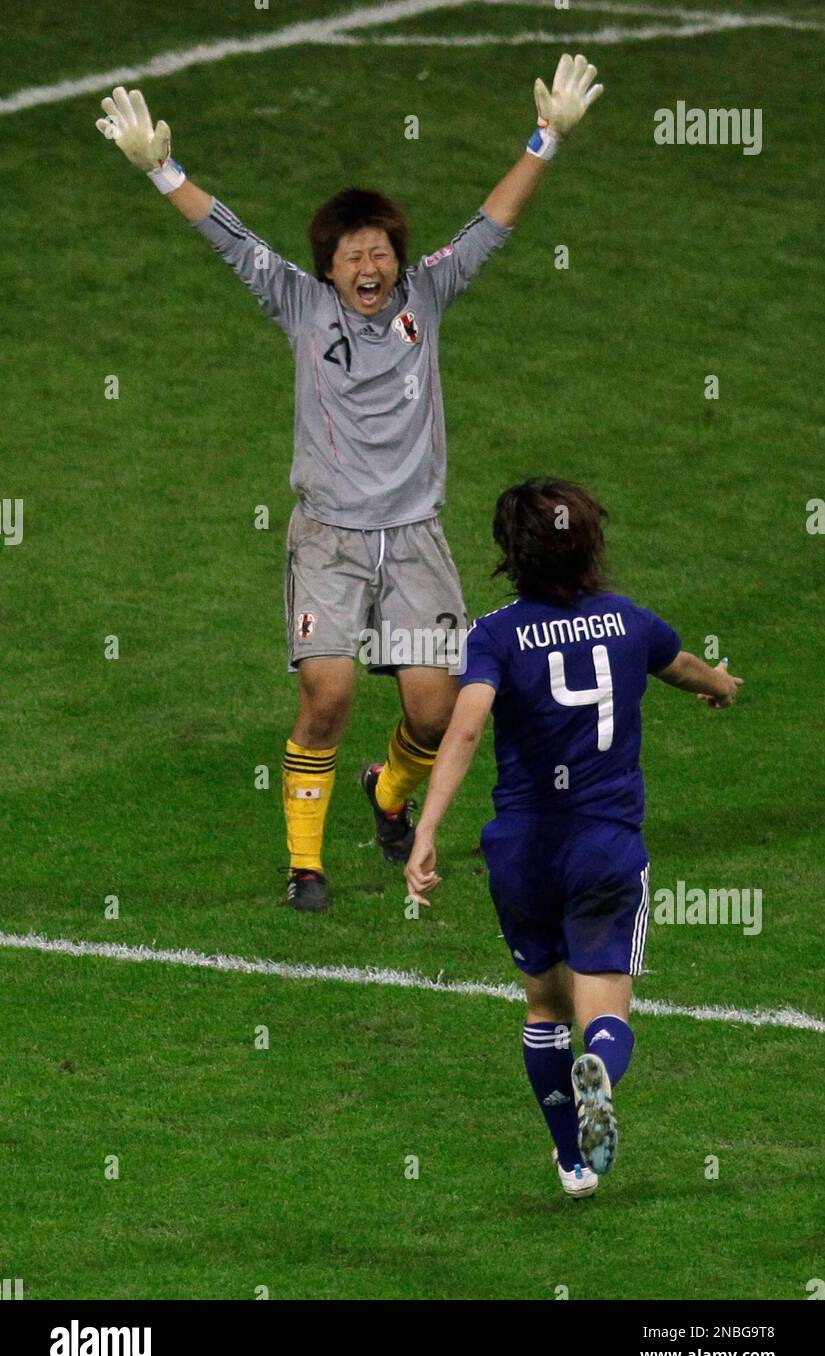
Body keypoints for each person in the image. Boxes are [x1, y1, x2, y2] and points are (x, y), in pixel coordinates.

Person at [95, 58, 604, 912]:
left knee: (436, 714)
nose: (367, 266)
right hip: (329, 538)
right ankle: (306, 866)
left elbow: (494, 221)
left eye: (379, 253)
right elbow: (231, 238)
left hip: (413, 537)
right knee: (325, 695)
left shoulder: (425, 297)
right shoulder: (300, 305)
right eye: (350, 256)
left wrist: (546, 137)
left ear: (398, 261)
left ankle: (388, 793)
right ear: (327, 269)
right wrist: (161, 169)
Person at [405, 479, 743, 1198]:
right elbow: (682, 666)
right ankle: (602, 1074)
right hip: (604, 849)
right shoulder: (628, 620)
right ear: (590, 545)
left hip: (521, 852)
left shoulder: (495, 635)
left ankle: (571, 1161)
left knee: (544, 1006)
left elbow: (464, 728)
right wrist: (720, 684)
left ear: (510, 555)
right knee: (604, 1011)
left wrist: (427, 827)